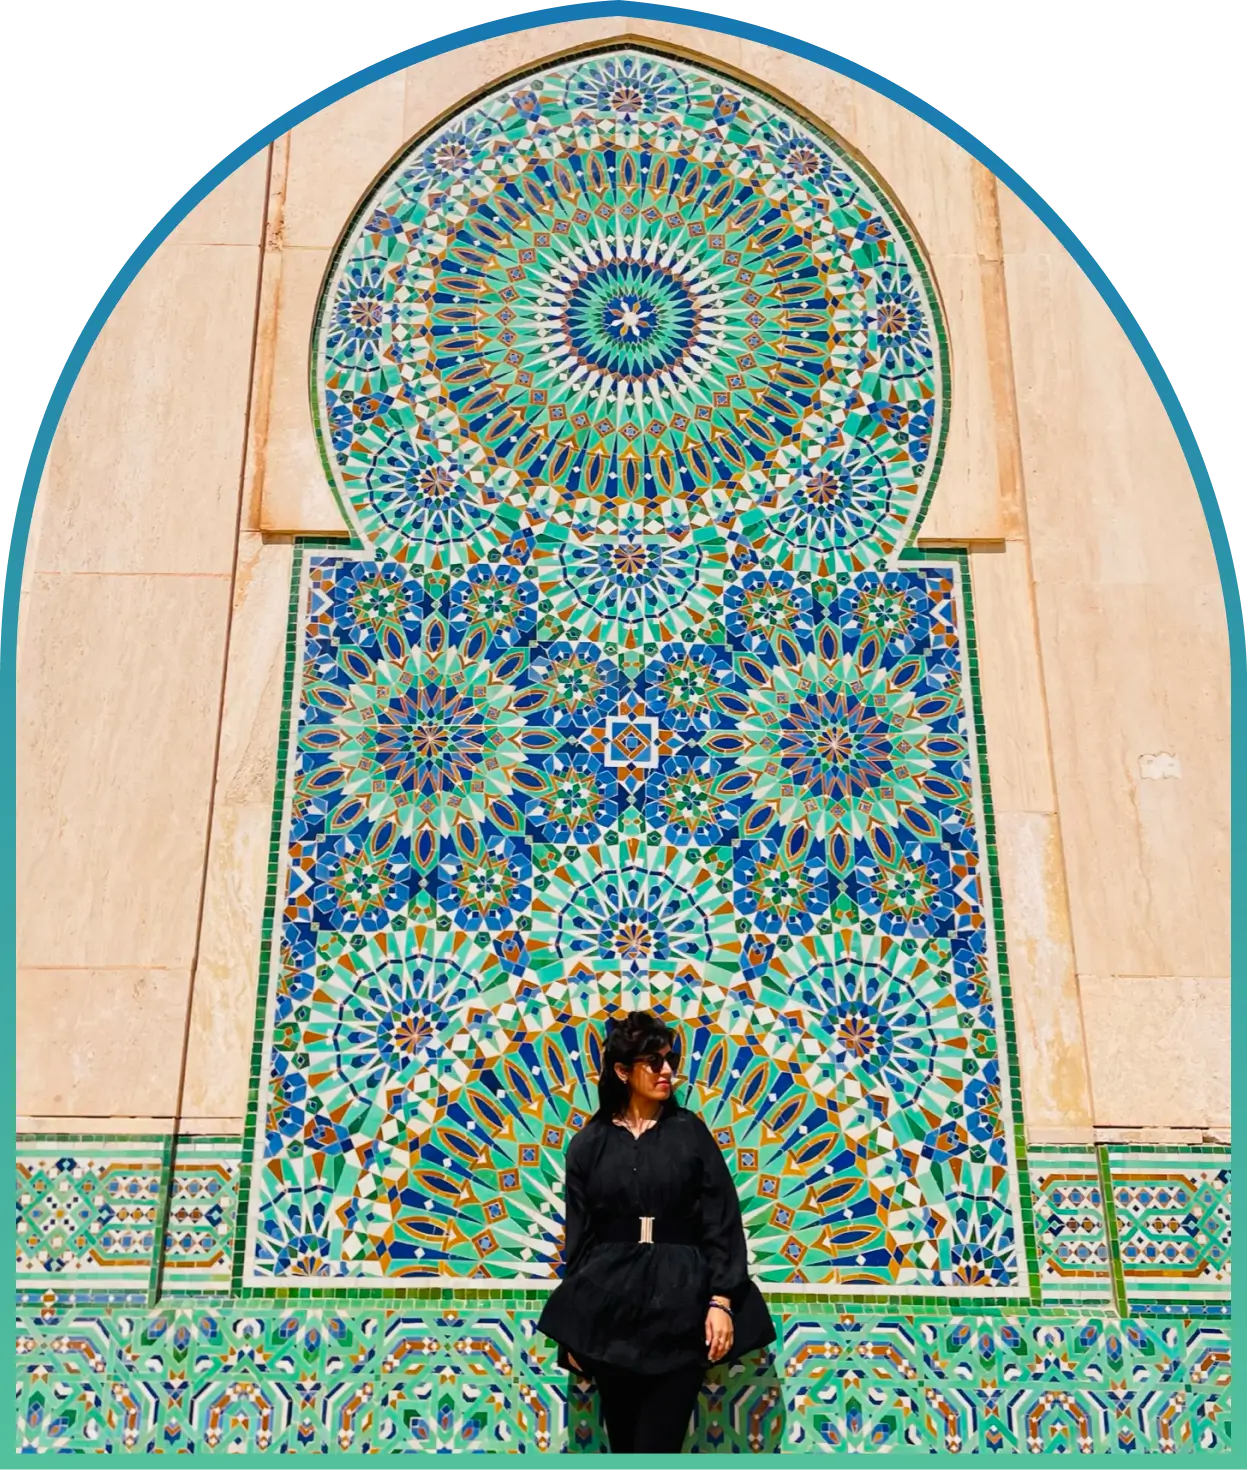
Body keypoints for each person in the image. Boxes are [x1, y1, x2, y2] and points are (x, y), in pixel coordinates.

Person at [537, 1010, 777, 1453]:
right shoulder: (589, 1143)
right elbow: (580, 1240)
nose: (667, 1071)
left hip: (681, 1307)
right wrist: (576, 1327)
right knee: (626, 1446)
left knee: (659, 1444)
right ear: (623, 1071)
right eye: (653, 1061)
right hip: (613, 1312)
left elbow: (722, 1221)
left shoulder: (690, 1134)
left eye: (669, 1060)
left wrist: (721, 1301)